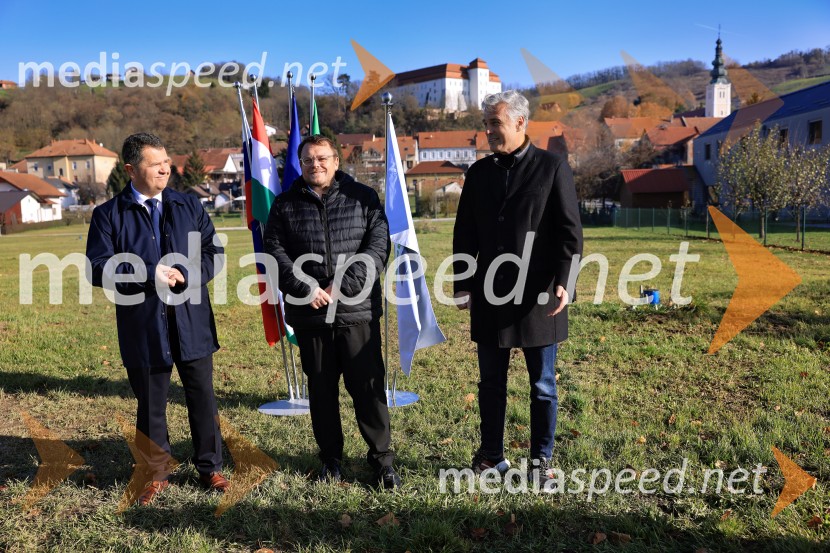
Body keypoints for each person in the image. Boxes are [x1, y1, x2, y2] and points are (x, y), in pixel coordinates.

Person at [86, 133, 229, 505]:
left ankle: (210, 467)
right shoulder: (107, 215)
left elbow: (214, 252)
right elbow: (98, 269)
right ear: (132, 169)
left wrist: (192, 275)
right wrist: (148, 275)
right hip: (143, 325)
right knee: (151, 402)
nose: (166, 168)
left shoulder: (189, 206)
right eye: (155, 163)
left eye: (167, 161)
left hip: (191, 321)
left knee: (202, 397)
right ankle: (156, 471)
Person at [453, 90, 583, 484]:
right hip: (490, 295)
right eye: (487, 123)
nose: (489, 130)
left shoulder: (552, 167)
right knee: (490, 382)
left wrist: (566, 280)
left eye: (496, 123)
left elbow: (569, 232)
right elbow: (465, 233)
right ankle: (491, 455)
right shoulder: (478, 173)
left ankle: (540, 462)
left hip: (540, 298)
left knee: (542, 386)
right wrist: (463, 282)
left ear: (520, 123)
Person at [263, 135, 400, 489]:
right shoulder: (284, 205)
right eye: (308, 160)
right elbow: (276, 254)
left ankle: (382, 461)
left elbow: (377, 247)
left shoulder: (364, 198)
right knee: (322, 392)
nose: (315, 165)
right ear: (300, 163)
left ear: (336, 161)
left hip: (357, 312)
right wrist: (305, 288)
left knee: (368, 390)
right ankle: (331, 460)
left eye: (322, 158)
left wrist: (343, 286)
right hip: (310, 315)